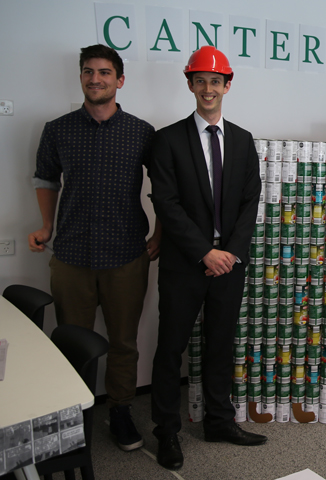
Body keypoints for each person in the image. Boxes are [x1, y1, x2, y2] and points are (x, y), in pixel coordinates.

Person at [28, 44, 159, 452]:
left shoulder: (142, 131)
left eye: (104, 72)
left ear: (120, 80)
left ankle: (120, 411)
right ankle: (74, 416)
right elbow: (46, 179)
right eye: (88, 71)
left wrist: (160, 237)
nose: (95, 78)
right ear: (81, 77)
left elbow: (165, 190)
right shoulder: (58, 129)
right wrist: (46, 226)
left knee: (123, 343)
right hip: (71, 257)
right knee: (72, 342)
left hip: (125, 257)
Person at [148, 46, 264, 471]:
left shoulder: (243, 140)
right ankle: (166, 431)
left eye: (216, 81)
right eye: (200, 80)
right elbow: (166, 202)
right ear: (190, 84)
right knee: (171, 347)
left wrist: (229, 252)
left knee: (220, 344)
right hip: (185, 265)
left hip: (228, 266)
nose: (208, 88)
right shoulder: (167, 140)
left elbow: (251, 201)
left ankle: (219, 421)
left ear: (227, 85)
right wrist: (205, 252)